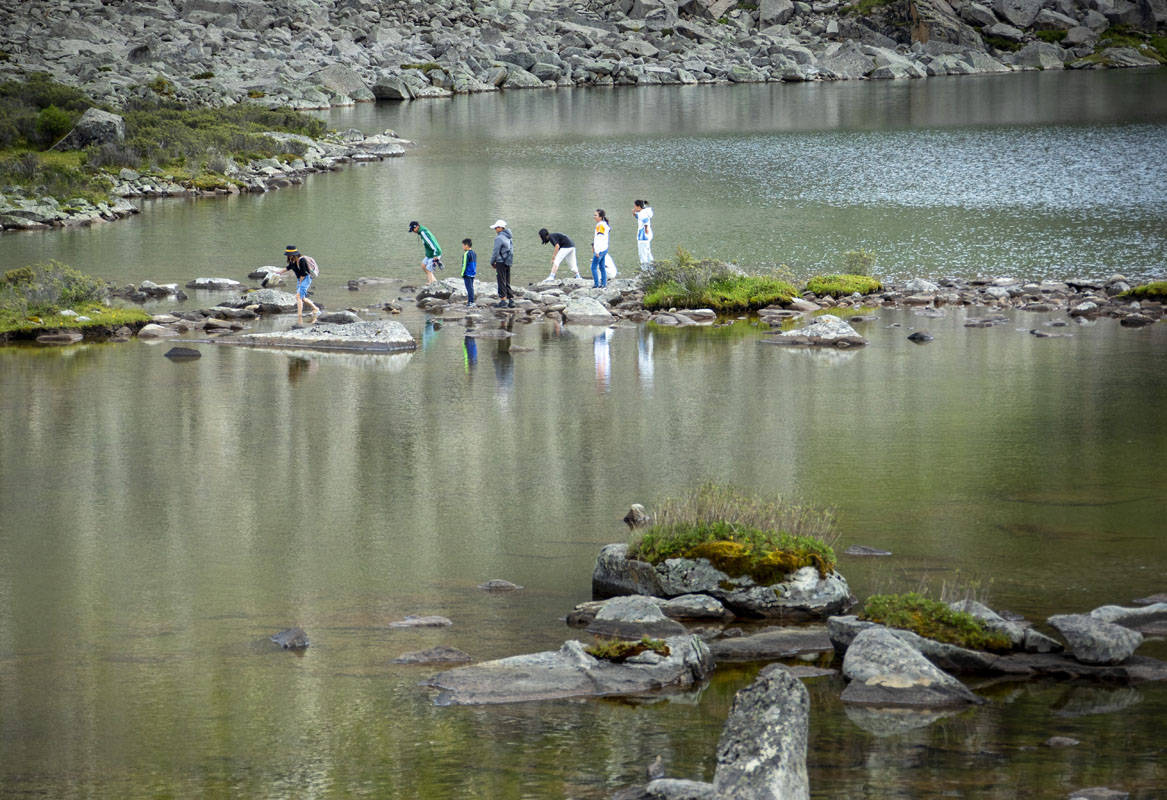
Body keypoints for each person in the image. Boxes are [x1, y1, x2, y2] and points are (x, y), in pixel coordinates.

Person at [276, 245, 321, 324]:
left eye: (289, 255)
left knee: (298, 296)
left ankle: (299, 316)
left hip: (306, 278)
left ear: (294, 254)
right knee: (302, 298)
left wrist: (300, 282)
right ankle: (315, 308)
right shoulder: (292, 260)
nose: (288, 256)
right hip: (300, 279)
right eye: (288, 255)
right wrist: (279, 272)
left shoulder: (302, 260)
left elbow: (304, 272)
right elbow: (288, 267)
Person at [489, 219, 515, 308]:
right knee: (507, 280)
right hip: (508, 261)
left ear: (500, 228)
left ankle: (503, 301)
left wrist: (492, 262)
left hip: (500, 262)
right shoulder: (509, 237)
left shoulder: (499, 238)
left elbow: (495, 252)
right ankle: (511, 300)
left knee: (501, 280)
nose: (495, 230)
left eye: (496, 228)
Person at [408, 220, 442, 285]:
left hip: (435, 253)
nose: (413, 231)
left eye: (413, 229)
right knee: (423, 265)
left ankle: (431, 284)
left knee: (429, 269)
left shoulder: (424, 233)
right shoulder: (421, 232)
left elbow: (432, 243)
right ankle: (435, 282)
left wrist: (436, 255)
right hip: (430, 254)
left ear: (417, 227)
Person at [590, 208, 611, 289]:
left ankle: (596, 284)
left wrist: (597, 251)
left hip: (600, 249)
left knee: (593, 267)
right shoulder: (604, 224)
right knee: (602, 266)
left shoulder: (600, 226)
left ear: (601, 217)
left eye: (595, 215)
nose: (594, 217)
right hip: (605, 248)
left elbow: (599, 238)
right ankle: (604, 284)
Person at [634, 199, 654, 270]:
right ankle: (652, 269)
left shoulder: (642, 213)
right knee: (648, 253)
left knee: (642, 254)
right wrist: (634, 214)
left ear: (639, 206)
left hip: (643, 236)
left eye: (635, 206)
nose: (634, 208)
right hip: (648, 236)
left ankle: (645, 271)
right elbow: (639, 217)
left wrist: (646, 229)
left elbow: (645, 220)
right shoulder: (646, 211)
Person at [460, 238, 477, 306]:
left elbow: (464, 265)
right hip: (473, 273)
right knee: (471, 287)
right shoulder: (474, 253)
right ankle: (471, 301)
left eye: (463, 245)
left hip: (467, 274)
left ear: (466, 245)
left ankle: (471, 302)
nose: (463, 247)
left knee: (469, 288)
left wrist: (462, 273)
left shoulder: (466, 254)